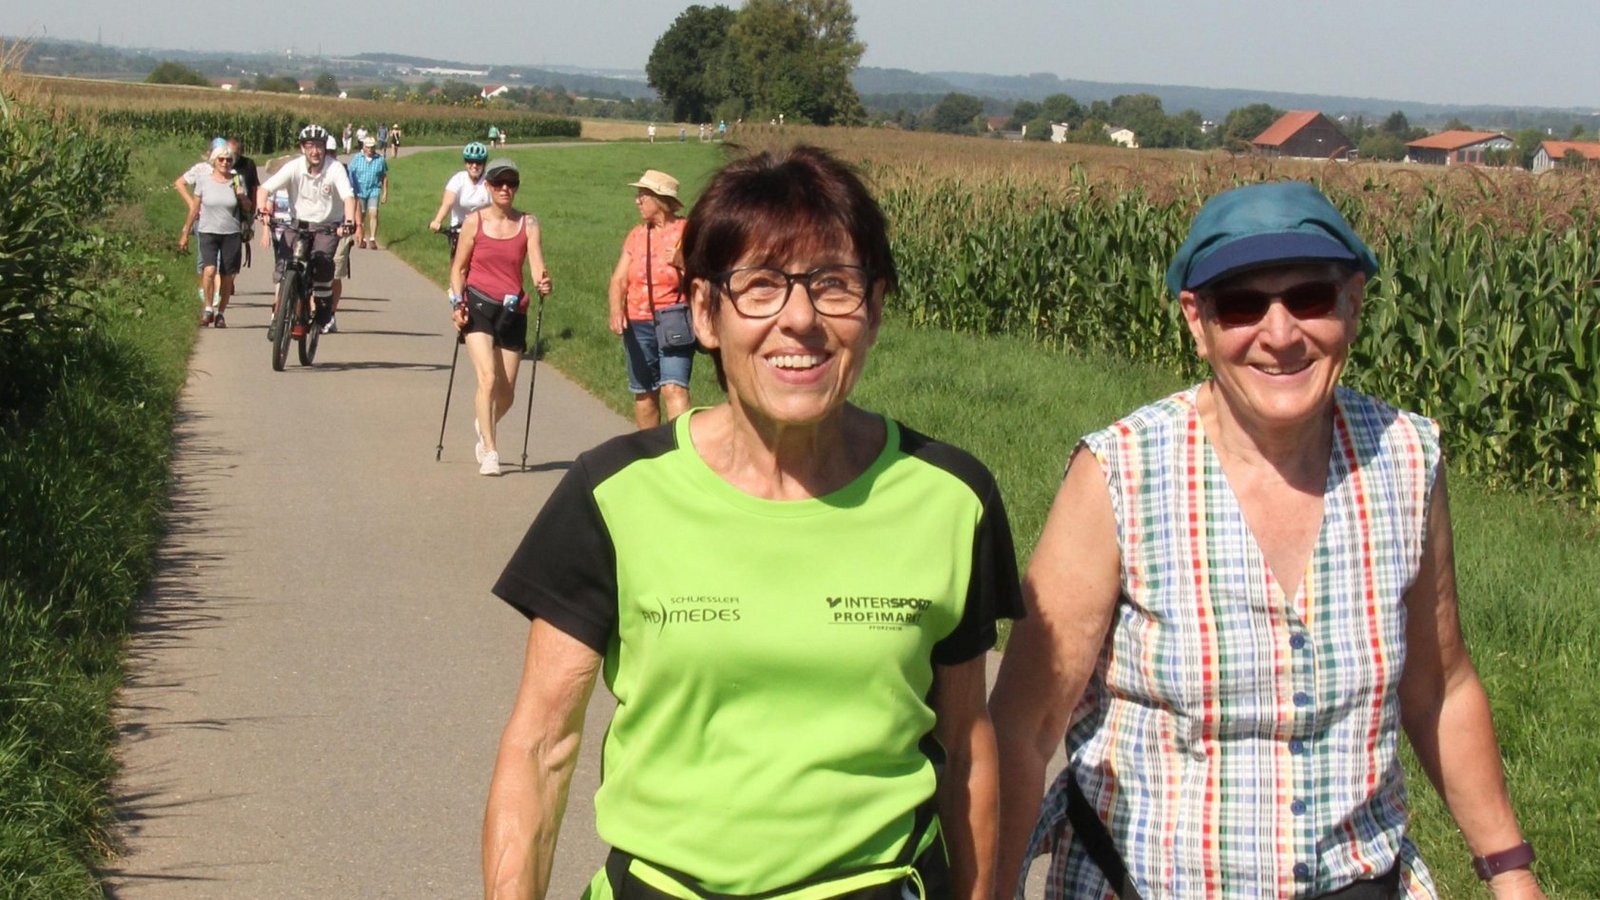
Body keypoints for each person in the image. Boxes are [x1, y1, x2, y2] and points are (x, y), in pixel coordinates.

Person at [483, 144, 1023, 900]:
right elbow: (541, 747)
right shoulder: (612, 494)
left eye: (834, 285)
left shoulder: (951, 498)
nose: (799, 320)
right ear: (704, 311)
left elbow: (968, 746)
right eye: (760, 286)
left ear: (873, 308)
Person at [990, 182, 1545, 900]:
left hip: (1354, 884)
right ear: (1197, 320)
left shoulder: (1406, 460)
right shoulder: (1121, 473)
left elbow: (1440, 685)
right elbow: (1026, 723)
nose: (1280, 334)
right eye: (1243, 305)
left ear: (1353, 303)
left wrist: (1510, 869)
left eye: (1309, 297)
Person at [447, 158, 552, 477]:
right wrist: (456, 302)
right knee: (488, 378)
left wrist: (542, 281)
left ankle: (484, 422)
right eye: (499, 183)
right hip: (478, 305)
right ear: (488, 187)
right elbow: (459, 269)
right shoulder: (474, 222)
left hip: (513, 310)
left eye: (512, 183)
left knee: (506, 394)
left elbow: (536, 263)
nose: (506, 189)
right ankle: (490, 451)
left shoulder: (529, 223)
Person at [606, 169, 692, 430]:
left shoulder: (686, 231)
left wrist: (683, 262)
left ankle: (681, 456)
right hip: (637, 322)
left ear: (660, 199)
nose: (637, 200)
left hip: (674, 320)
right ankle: (652, 456)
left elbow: (707, 276)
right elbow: (618, 279)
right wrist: (615, 309)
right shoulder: (636, 234)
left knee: (674, 389)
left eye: (642, 195)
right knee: (644, 393)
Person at [254, 124, 358, 338]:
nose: (315, 151)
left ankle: (322, 308)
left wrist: (348, 221)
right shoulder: (294, 167)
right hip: (297, 224)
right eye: (310, 146)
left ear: (324, 148)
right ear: (302, 148)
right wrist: (262, 208)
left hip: (326, 226)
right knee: (284, 267)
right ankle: (280, 315)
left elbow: (348, 196)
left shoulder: (334, 168)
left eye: (319, 146)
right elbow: (265, 189)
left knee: (322, 265)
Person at [178, 141, 252, 327]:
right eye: (221, 159)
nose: (225, 163)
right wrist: (185, 232)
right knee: (209, 270)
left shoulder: (236, 180)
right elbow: (195, 208)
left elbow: (248, 208)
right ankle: (208, 308)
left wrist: (242, 197)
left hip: (231, 232)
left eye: (229, 160)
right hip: (207, 231)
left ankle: (221, 313)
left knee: (227, 276)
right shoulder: (203, 181)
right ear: (214, 161)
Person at [429, 142, 493, 258]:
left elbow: (497, 206)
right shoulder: (458, 179)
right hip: (460, 228)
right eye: (470, 161)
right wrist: (437, 221)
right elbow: (447, 203)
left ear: (484, 163)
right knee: (459, 267)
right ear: (465, 162)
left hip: (483, 229)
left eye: (478, 162)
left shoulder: (489, 181)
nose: (474, 165)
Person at [346, 135, 388, 249]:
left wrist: (385, 192)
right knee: (362, 214)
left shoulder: (380, 160)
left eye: (372, 147)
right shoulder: (357, 158)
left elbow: (384, 176)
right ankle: (362, 237)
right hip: (360, 191)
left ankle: (373, 238)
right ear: (364, 147)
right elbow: (350, 174)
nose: (370, 149)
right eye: (368, 147)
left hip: (374, 189)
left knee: (373, 213)